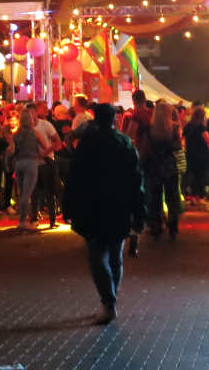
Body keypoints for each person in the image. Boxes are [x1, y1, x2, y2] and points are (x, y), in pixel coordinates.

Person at [63, 103, 145, 325]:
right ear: (114, 119)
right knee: (115, 254)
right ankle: (111, 299)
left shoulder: (88, 144)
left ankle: (108, 301)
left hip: (93, 205)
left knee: (97, 254)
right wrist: (139, 210)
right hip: (119, 205)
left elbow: (75, 176)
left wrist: (68, 205)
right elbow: (136, 179)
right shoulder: (125, 143)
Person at [145, 101, 183, 239]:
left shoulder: (150, 129)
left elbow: (147, 148)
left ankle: (156, 226)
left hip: (154, 165)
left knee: (155, 197)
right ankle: (173, 227)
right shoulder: (174, 128)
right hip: (170, 166)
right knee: (171, 196)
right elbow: (178, 147)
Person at [8, 108, 50, 230]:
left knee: (22, 193)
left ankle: (23, 219)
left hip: (19, 163)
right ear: (30, 120)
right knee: (27, 193)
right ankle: (23, 221)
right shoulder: (35, 133)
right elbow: (45, 147)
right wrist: (39, 155)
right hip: (31, 163)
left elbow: (11, 150)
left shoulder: (16, 134)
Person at [182, 107, 209, 204]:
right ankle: (200, 197)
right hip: (201, 154)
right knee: (201, 176)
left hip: (190, 154)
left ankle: (193, 197)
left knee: (193, 175)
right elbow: (208, 140)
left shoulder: (188, 126)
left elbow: (183, 139)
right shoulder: (201, 127)